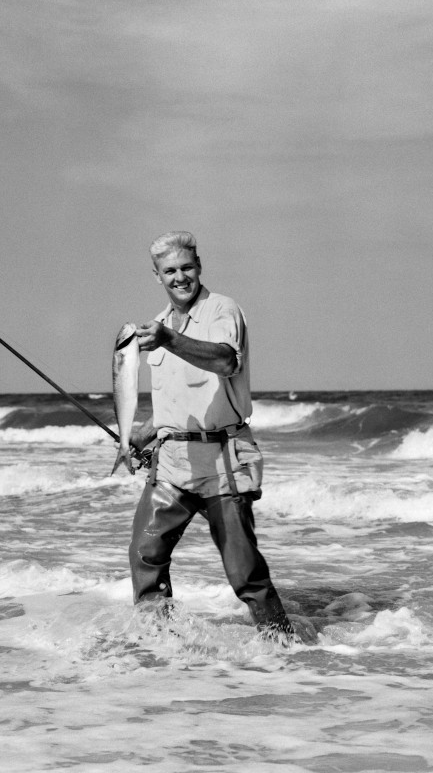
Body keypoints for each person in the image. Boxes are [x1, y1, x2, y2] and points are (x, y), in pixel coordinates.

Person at [125, 230, 297, 641]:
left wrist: (171, 340)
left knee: (243, 571)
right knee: (146, 555)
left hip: (224, 460)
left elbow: (225, 361)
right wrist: (143, 434)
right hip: (172, 464)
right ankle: (161, 642)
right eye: (170, 271)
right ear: (157, 277)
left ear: (199, 267)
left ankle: (285, 648)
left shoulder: (222, 310)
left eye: (186, 267)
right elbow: (174, 403)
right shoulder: (159, 326)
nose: (179, 277)